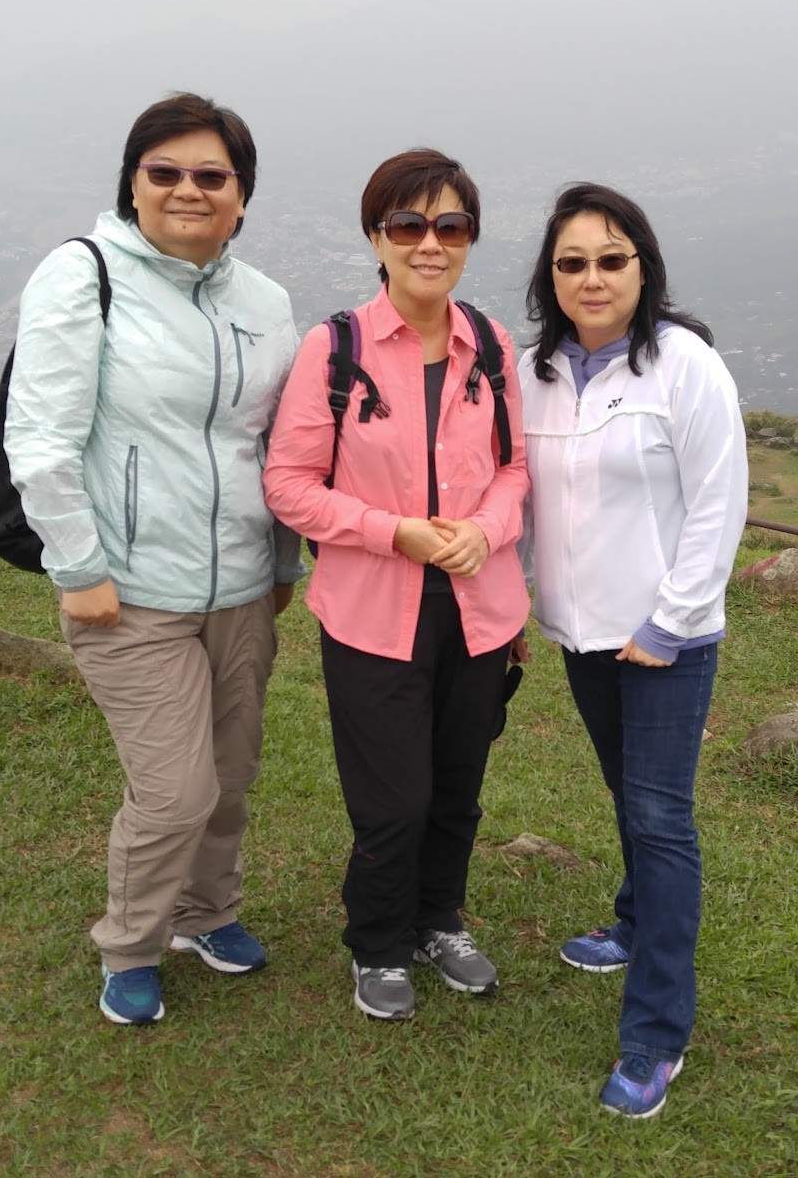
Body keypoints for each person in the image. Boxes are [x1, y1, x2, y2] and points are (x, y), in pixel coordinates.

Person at [3, 92, 303, 1026]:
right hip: (128, 593)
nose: (187, 189)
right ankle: (131, 943)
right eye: (163, 171)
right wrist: (80, 568)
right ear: (131, 183)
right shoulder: (81, 275)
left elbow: (281, 446)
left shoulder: (266, 301)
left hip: (244, 587)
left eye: (211, 175)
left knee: (231, 775)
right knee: (177, 791)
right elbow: (42, 440)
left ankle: (208, 914)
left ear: (241, 196)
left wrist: (283, 563)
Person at [264, 149, 529, 1021]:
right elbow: (291, 484)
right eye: (408, 225)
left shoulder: (489, 345)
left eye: (449, 226)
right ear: (377, 236)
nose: (429, 243)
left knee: (457, 784)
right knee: (394, 799)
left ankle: (438, 919)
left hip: (479, 610)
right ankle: (377, 940)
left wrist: (485, 532)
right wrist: (397, 534)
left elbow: (514, 468)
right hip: (372, 615)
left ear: (469, 239)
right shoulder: (334, 347)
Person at [517, 183, 747, 1115]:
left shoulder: (683, 365)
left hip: (665, 642)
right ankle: (634, 918)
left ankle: (656, 1032)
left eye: (612, 259)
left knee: (659, 817)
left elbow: (718, 503)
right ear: (551, 277)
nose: (593, 278)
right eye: (572, 263)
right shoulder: (534, 372)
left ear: (642, 266)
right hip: (581, 632)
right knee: (627, 795)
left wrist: (669, 623)